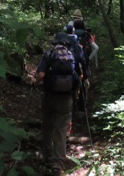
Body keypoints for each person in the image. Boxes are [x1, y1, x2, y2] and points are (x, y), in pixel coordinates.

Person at [36, 32, 80, 174]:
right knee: (61, 130)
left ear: (55, 43)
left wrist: (36, 82)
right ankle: (58, 163)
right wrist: (75, 95)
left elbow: (41, 75)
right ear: (66, 43)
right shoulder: (72, 56)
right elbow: (78, 78)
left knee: (47, 126)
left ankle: (47, 156)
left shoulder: (49, 54)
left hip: (50, 96)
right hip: (66, 98)